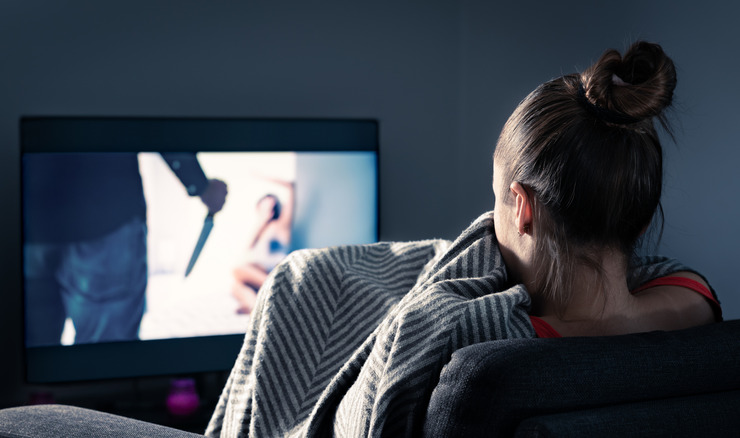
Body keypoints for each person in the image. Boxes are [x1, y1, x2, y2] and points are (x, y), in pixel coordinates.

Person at [206, 41, 722, 437]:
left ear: (522, 208)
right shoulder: (691, 311)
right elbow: (673, 292)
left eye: (495, 198)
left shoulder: (474, 344)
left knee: (299, 278)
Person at [491, 40, 720, 337]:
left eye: (497, 196)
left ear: (524, 209)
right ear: (643, 222)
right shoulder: (695, 305)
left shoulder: (503, 339)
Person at [23, 152, 227, 347]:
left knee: (35, 353)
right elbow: (159, 120)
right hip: (104, 213)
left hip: (28, 215)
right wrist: (200, 184)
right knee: (105, 356)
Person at [230, 180, 294, 314]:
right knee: (236, 286)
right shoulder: (260, 229)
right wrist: (261, 220)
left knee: (237, 269)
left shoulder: (280, 226)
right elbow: (247, 250)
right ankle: (253, 307)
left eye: (269, 205)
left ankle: (280, 291)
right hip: (260, 275)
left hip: (274, 273)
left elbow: (291, 187)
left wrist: (261, 176)